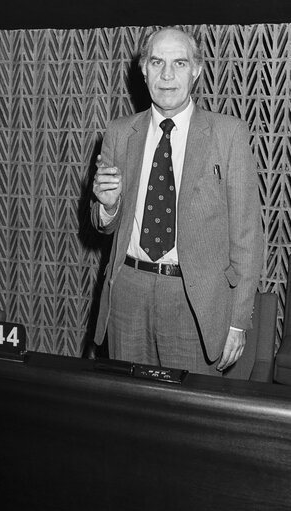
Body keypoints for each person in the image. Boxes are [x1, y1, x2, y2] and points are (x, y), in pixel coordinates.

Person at [91, 26, 263, 377]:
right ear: (144, 70)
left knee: (190, 422)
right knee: (131, 417)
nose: (167, 75)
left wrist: (238, 321)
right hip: (129, 293)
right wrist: (107, 206)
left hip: (194, 302)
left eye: (179, 63)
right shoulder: (120, 132)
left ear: (196, 70)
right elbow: (103, 223)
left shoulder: (229, 134)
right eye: (157, 62)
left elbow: (248, 237)